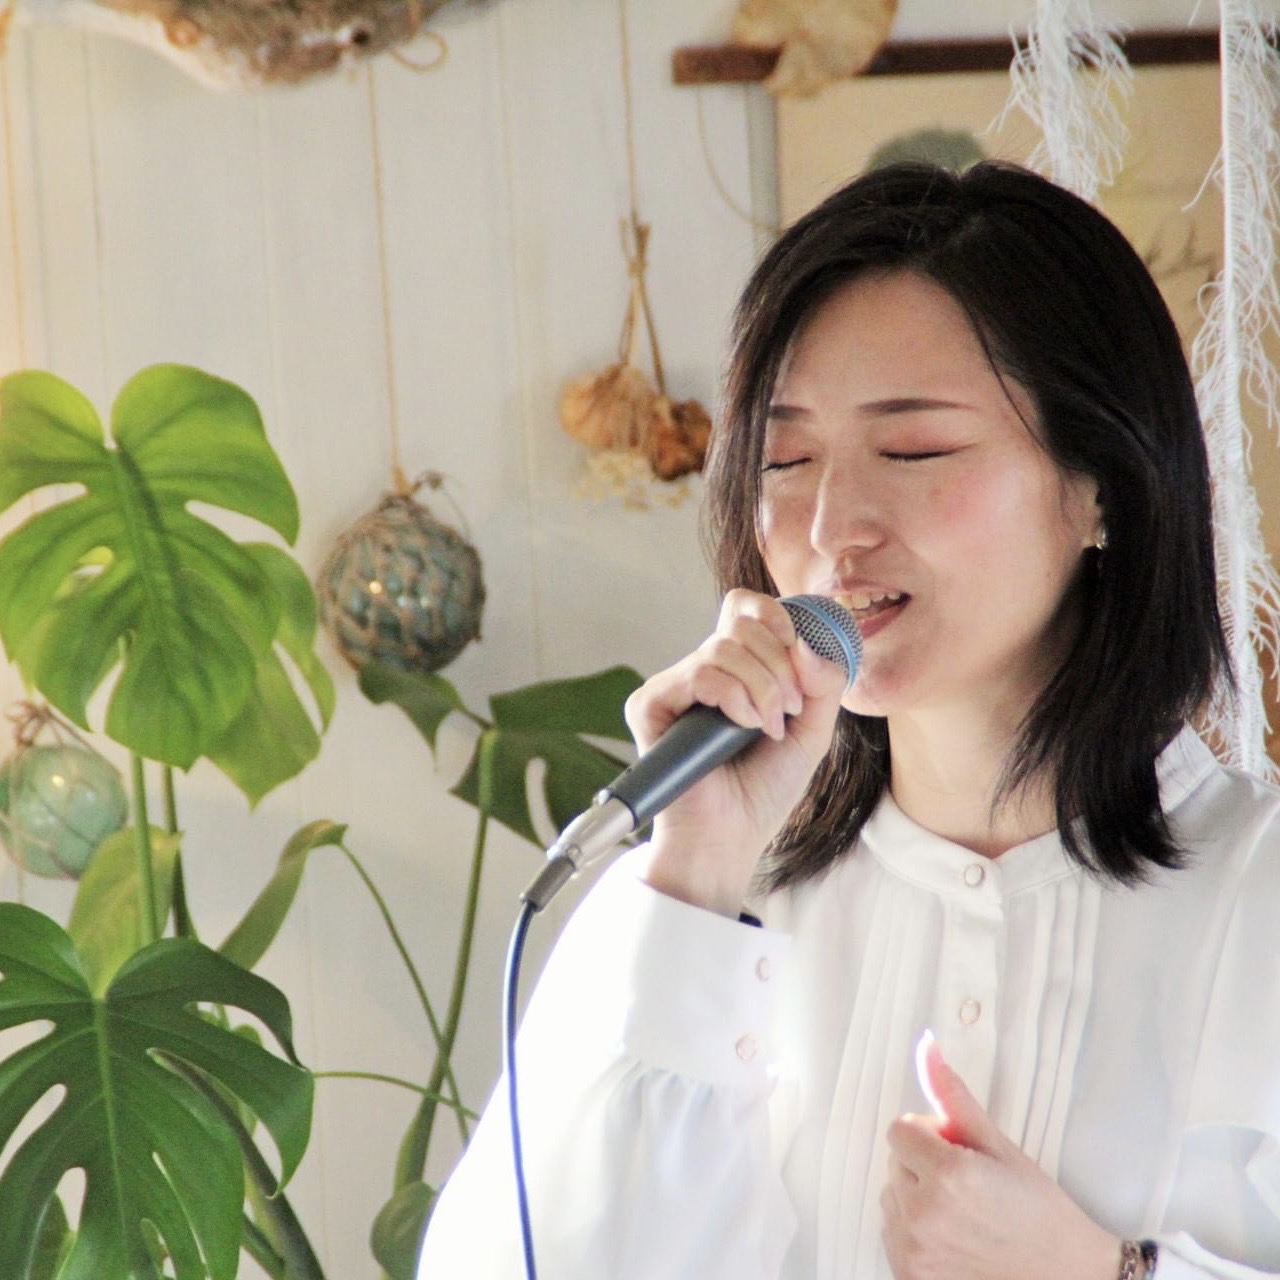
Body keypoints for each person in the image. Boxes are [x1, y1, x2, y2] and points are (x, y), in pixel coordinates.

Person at [416, 161, 1280, 1279]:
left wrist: (1104, 1271)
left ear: (1099, 485)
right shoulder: (705, 908)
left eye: (912, 451)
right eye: (784, 459)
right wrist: (695, 876)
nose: (830, 526)